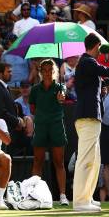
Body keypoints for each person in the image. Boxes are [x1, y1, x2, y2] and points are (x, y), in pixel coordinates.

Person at [73, 33, 109, 212]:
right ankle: (80, 201)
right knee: (85, 160)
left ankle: (87, 197)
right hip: (87, 117)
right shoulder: (88, 62)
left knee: (94, 160)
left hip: (92, 117)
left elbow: (107, 79)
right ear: (96, 46)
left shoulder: (88, 64)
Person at [30, 59, 69, 206]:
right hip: (40, 126)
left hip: (56, 126)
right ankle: (34, 195)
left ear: (55, 72)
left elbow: (63, 98)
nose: (47, 73)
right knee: (38, 161)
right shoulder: (35, 89)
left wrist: (61, 97)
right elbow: (33, 108)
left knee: (59, 162)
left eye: (50, 70)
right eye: (44, 70)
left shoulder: (61, 88)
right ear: (40, 72)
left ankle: (63, 196)